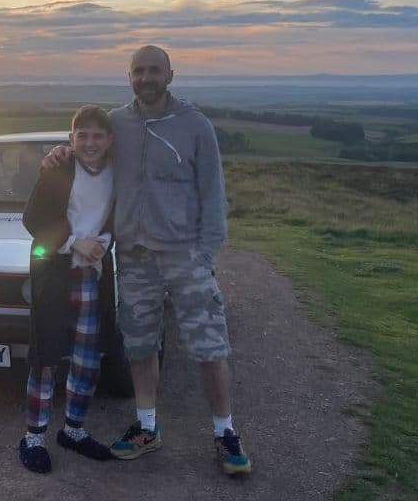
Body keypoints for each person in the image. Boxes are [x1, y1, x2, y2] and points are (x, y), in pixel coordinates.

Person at [41, 45, 252, 475]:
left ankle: (225, 433)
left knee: (209, 347)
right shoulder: (117, 123)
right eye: (139, 70)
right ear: (129, 76)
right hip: (134, 258)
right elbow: (88, 150)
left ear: (171, 74)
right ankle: (147, 428)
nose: (147, 77)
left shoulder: (196, 127)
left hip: (185, 255)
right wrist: (58, 155)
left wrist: (205, 255)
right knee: (139, 345)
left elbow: (214, 196)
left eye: (155, 70)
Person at [18, 105, 117, 473]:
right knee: (46, 358)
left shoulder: (115, 171)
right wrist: (74, 241)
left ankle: (73, 430)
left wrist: (103, 241)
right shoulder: (59, 167)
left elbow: (114, 218)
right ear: (70, 138)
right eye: (83, 135)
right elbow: (33, 218)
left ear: (109, 140)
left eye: (98, 136)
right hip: (55, 274)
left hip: (92, 276)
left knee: (87, 360)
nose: (90, 143)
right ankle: (34, 438)